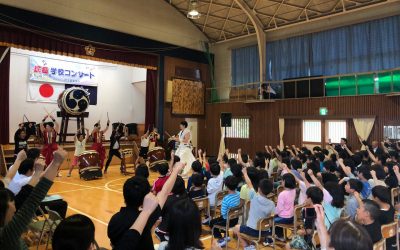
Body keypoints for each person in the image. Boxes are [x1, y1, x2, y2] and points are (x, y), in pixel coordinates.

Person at [0, 149, 67, 250]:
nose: (15, 209)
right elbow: (34, 198)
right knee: (61, 203)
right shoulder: (8, 233)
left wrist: (18, 160)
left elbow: (8, 178)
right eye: (12, 203)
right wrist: (55, 163)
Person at [107, 162, 184, 249]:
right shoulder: (148, 216)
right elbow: (165, 191)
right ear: (146, 198)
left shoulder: (114, 220)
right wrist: (176, 170)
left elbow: (113, 243)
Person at [234, 168, 274, 250]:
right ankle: (251, 244)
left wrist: (245, 173)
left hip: (253, 231)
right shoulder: (272, 203)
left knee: (236, 228)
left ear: (259, 189)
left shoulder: (254, 197)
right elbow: (271, 220)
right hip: (265, 232)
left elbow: (249, 184)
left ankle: (246, 246)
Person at [208, 176, 240, 247]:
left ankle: (222, 238)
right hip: (235, 219)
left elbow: (223, 213)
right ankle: (226, 236)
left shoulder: (226, 198)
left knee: (212, 223)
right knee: (217, 221)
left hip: (227, 220)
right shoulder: (239, 194)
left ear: (226, 186)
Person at [155, 176, 189, 241]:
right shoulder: (186, 195)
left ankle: (165, 238)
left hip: (169, 227)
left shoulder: (167, 199)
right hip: (183, 224)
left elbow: (160, 213)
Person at [274, 173, 296, 241]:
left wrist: (272, 213)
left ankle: (279, 236)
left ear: (285, 182)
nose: (281, 182)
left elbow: (279, 209)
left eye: (282, 180)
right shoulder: (294, 190)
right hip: (292, 216)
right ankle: (281, 235)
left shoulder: (282, 194)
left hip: (284, 218)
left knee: (270, 220)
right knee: (275, 217)